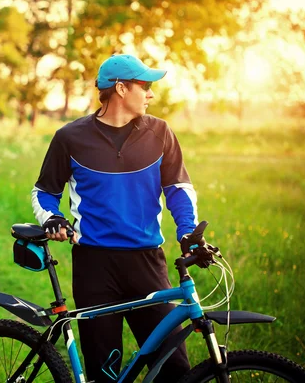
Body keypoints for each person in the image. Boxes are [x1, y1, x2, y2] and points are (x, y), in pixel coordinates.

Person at [31, 54, 202, 382]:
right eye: (145, 86)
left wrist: (188, 232)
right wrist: (52, 218)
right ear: (121, 88)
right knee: (103, 370)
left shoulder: (160, 133)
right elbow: (43, 192)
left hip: (147, 262)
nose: (151, 94)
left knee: (175, 368)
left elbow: (178, 189)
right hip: (95, 266)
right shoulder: (70, 137)